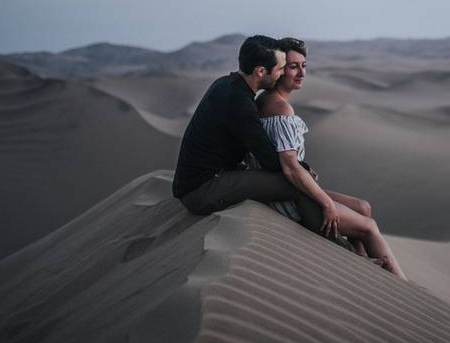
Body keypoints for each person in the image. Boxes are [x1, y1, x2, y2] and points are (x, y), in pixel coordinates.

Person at [248, 37, 407, 280]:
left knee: (363, 208)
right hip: (290, 201)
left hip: (291, 190)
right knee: (369, 227)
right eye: (293, 66)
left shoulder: (267, 101)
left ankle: (367, 274)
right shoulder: (279, 109)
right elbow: (290, 168)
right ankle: (399, 285)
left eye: (304, 65)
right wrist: (326, 203)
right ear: (278, 69)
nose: (301, 73)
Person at [172, 35, 326, 236]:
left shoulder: (227, 83)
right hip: (203, 190)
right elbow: (271, 161)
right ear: (261, 71)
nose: (281, 75)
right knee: (296, 183)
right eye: (280, 69)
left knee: (297, 178)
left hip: (205, 181)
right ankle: (330, 241)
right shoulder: (240, 103)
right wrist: (303, 170)